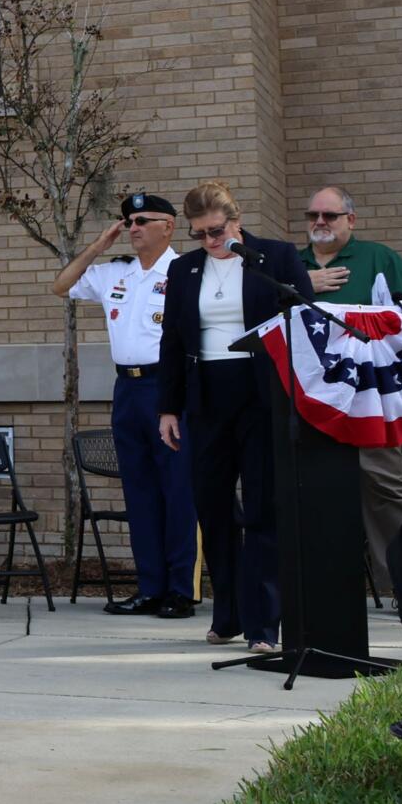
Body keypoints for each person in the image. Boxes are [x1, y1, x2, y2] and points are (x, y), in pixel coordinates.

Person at [156, 179, 316, 652]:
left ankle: (266, 625)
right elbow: (172, 343)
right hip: (206, 396)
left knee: (263, 505)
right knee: (213, 505)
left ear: (237, 220)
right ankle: (227, 615)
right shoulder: (186, 270)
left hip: (261, 393)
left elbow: (305, 318)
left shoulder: (276, 258)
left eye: (217, 230)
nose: (211, 241)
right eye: (201, 234)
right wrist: (168, 407)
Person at [50, 191, 197, 619]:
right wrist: (99, 245)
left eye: (142, 221)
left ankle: (180, 590)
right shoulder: (117, 273)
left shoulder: (185, 271)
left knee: (176, 491)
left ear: (167, 227)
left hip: (168, 389)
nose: (132, 228)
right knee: (140, 493)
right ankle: (149, 587)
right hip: (127, 390)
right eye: (128, 222)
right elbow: (61, 286)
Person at [303, 184, 402, 597]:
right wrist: (306, 285)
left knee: (385, 488)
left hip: (370, 399)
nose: (319, 222)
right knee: (313, 492)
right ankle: (327, 594)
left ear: (350, 220)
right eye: (313, 216)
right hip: (309, 403)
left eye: (329, 216)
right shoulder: (292, 264)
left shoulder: (379, 259)